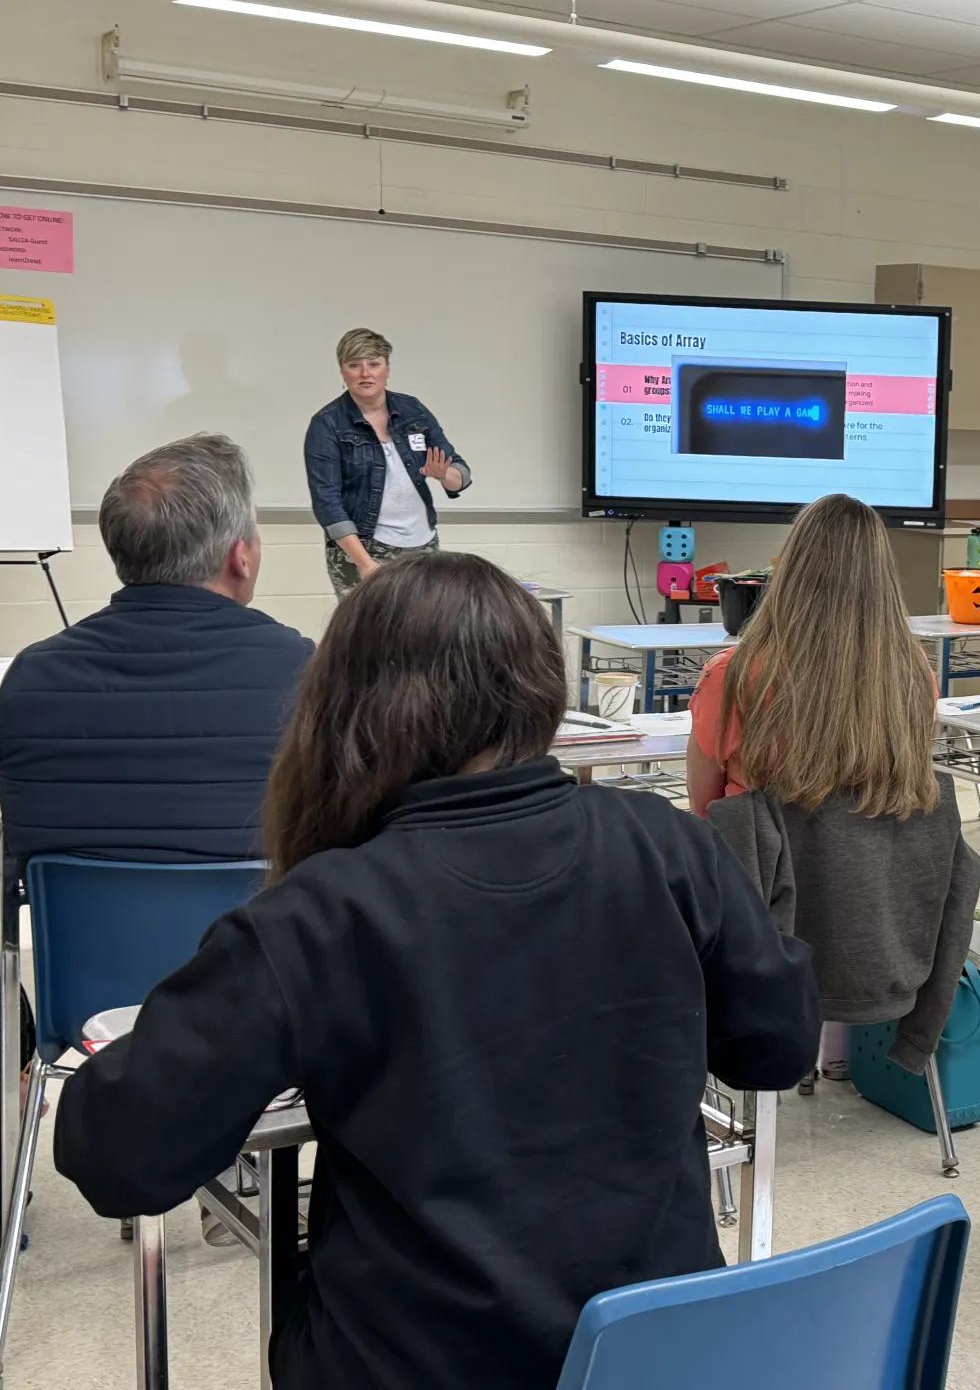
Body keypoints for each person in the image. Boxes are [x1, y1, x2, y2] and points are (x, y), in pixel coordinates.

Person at [52, 553, 819, 1390]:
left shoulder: (319, 915)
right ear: (539, 686)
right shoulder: (670, 845)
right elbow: (777, 1048)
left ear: (347, 709)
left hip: (414, 1363)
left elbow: (117, 1158)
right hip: (650, 1357)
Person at [0, 434, 311, 863]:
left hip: (78, 910)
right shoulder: (308, 672)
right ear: (240, 558)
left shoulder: (30, 677)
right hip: (260, 908)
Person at [687, 493, 938, 821]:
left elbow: (704, 806)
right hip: (881, 853)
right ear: (883, 575)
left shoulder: (732, 673)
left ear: (790, 569)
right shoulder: (912, 668)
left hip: (759, 852)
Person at [304, 327, 471, 597]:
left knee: (425, 620)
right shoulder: (327, 424)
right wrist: (365, 563)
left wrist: (443, 475)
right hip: (363, 548)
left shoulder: (413, 410)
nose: (365, 373)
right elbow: (327, 502)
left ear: (387, 368)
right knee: (369, 623)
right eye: (354, 365)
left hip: (422, 543)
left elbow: (460, 474)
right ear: (342, 371)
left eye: (374, 364)